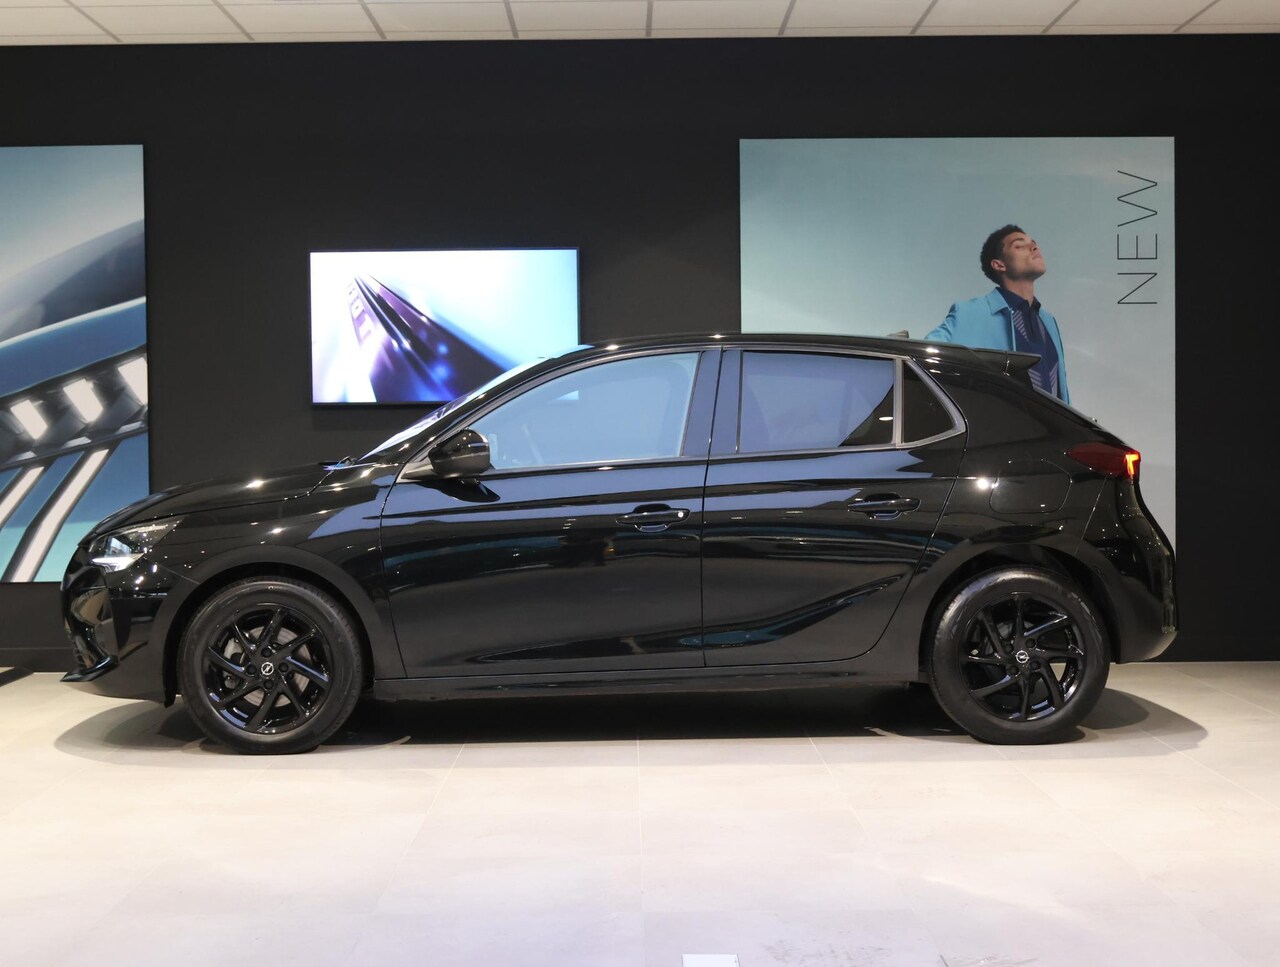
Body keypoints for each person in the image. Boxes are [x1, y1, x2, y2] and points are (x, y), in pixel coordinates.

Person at [926, 225, 1070, 403]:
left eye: (1034, 243)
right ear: (999, 264)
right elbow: (924, 358)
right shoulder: (968, 313)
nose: (1034, 247)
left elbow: (1061, 391)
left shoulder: (1049, 322)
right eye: (1019, 245)